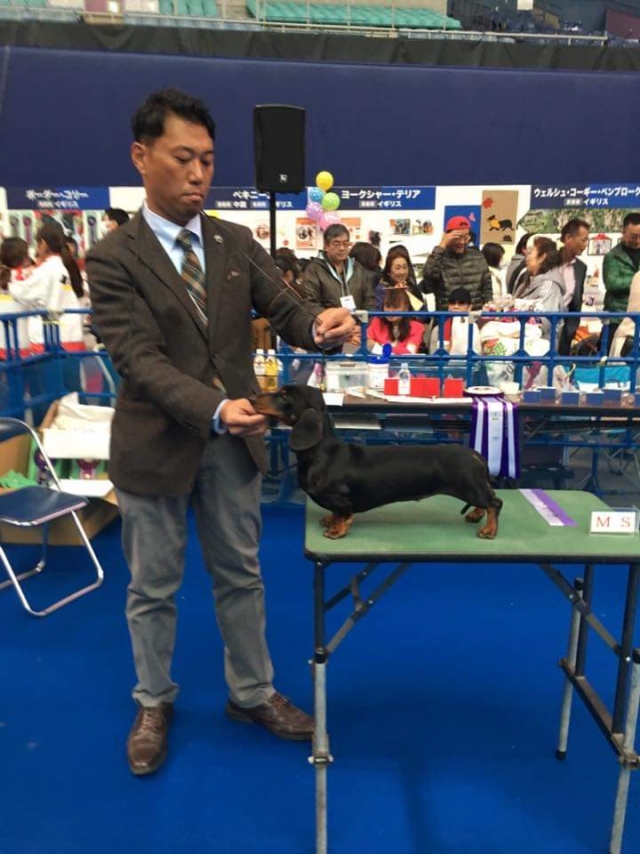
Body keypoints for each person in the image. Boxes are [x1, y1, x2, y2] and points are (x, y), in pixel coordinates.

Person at [86, 88, 354, 777]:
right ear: (141, 156)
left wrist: (320, 327)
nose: (199, 173)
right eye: (183, 158)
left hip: (233, 448)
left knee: (242, 574)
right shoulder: (113, 258)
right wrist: (214, 406)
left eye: (207, 159)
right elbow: (139, 360)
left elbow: (288, 309)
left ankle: (252, 692)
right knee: (152, 586)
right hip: (155, 448)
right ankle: (153, 701)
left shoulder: (234, 241)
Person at [10, 223, 86, 355]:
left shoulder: (47, 270)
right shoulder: (62, 267)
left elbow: (22, 292)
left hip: (50, 339)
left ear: (43, 244)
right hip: (71, 335)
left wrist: (9, 282)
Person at [422, 216, 493, 311]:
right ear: (447, 236)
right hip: (447, 314)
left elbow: (487, 288)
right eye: (457, 237)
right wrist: (441, 245)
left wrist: (488, 306)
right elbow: (428, 277)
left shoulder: (477, 256)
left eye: (466, 237)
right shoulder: (439, 257)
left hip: (474, 313)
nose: (462, 242)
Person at [303, 223, 376, 312]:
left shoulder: (357, 268)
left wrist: (367, 319)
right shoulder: (314, 269)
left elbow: (369, 298)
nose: (342, 248)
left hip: (357, 320)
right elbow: (312, 304)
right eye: (336, 244)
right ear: (326, 245)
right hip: (329, 320)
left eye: (346, 243)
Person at [603, 212, 640, 347]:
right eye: (633, 236)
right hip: (617, 318)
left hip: (638, 317)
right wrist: (636, 280)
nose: (638, 240)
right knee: (613, 356)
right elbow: (612, 283)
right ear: (623, 233)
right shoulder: (612, 256)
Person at [557, 218, 590, 356]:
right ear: (568, 238)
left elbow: (576, 300)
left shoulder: (581, 268)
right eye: (583, 240)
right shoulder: (549, 261)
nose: (585, 244)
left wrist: (572, 327)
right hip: (543, 322)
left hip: (565, 327)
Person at [367, 286, 424, 355]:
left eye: (396, 307)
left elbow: (409, 352)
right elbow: (367, 343)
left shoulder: (417, 327)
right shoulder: (377, 322)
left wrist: (378, 347)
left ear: (406, 308)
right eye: (387, 306)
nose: (390, 311)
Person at [375, 246, 424, 311]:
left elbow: (423, 313)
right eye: (397, 268)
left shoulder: (413, 287)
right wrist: (394, 292)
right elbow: (380, 313)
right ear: (388, 271)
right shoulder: (382, 289)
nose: (402, 272)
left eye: (404, 267)